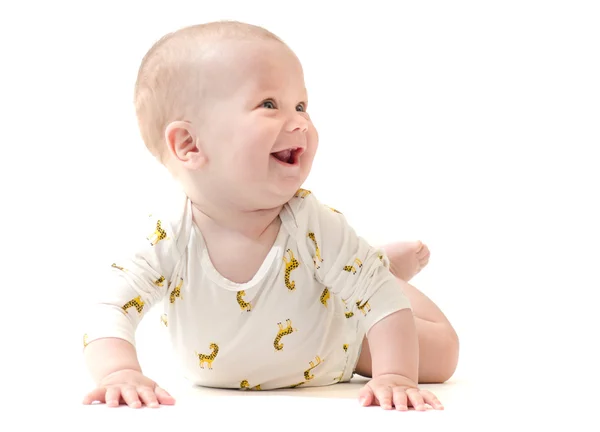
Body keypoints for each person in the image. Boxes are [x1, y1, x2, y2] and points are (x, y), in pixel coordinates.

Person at [81, 20, 459, 412]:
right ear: (190, 144)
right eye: (269, 105)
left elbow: (380, 299)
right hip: (264, 344)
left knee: (443, 354)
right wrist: (118, 372)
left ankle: (374, 265)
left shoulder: (314, 226)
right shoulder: (169, 235)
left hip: (333, 346)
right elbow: (110, 307)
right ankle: (366, 262)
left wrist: (394, 375)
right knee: (364, 277)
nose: (300, 122)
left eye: (301, 105)